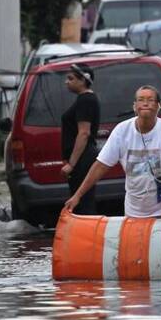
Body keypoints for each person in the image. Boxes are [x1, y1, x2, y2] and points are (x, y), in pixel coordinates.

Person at [63, 85, 161, 220]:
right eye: (141, 100)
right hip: (137, 211)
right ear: (135, 106)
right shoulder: (122, 131)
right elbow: (101, 166)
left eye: (150, 100)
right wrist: (77, 196)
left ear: (158, 107)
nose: (145, 103)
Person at [60, 64, 100, 215]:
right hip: (80, 160)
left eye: (71, 78)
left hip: (83, 160)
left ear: (83, 80)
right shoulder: (82, 100)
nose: (66, 82)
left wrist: (71, 164)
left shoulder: (86, 100)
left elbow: (84, 133)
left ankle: (88, 235)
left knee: (83, 202)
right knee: (79, 202)